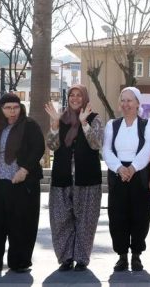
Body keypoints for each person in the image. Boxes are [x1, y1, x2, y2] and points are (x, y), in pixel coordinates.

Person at [0, 93, 45, 274]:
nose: (12, 111)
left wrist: (24, 170)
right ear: (1, 109)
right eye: (8, 108)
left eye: (16, 107)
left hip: (20, 183)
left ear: (21, 108)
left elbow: (38, 148)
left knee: (22, 223)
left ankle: (19, 262)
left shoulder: (29, 126)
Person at [44, 85, 104, 271]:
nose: (75, 98)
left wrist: (84, 123)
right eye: (72, 95)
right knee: (61, 220)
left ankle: (81, 259)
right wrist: (54, 125)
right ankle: (66, 257)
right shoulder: (60, 119)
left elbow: (96, 144)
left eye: (79, 95)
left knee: (86, 220)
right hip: (62, 178)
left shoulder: (94, 119)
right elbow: (52, 146)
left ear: (85, 98)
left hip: (87, 179)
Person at [102, 87, 150, 272]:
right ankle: (122, 255)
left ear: (138, 103)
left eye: (130, 101)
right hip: (118, 174)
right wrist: (119, 168)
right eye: (123, 100)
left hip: (139, 174)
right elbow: (107, 150)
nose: (126, 104)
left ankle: (136, 255)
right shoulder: (112, 124)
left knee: (141, 216)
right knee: (117, 216)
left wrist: (132, 168)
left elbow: (148, 148)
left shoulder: (147, 124)